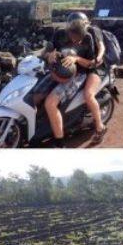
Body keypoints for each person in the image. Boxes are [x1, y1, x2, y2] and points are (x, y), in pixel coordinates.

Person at [43, 12, 108, 147]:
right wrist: (49, 55)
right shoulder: (59, 34)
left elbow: (91, 63)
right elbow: (45, 52)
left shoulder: (89, 37)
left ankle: (60, 142)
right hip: (57, 71)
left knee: (51, 103)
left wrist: (76, 58)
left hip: (79, 73)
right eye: (73, 37)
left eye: (79, 38)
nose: (75, 41)